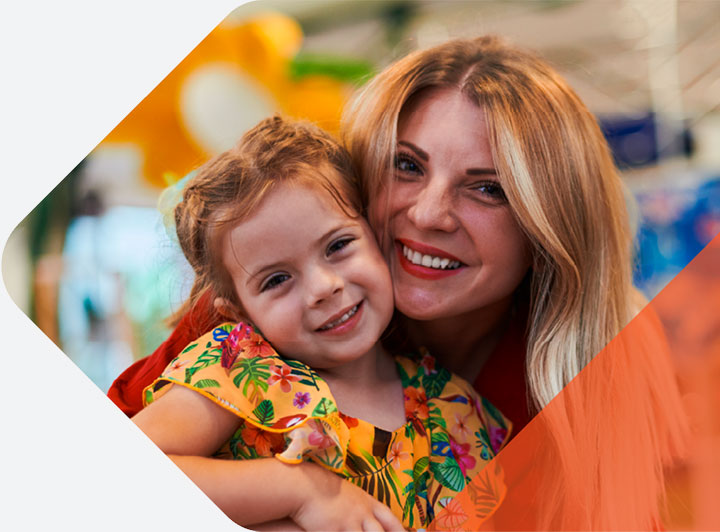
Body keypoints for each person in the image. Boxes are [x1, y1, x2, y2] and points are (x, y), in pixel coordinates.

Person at [111, 35, 687, 529]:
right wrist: (295, 497)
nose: (430, 213)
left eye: (488, 188)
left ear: (547, 228)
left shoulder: (504, 405)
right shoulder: (255, 324)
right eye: (407, 165)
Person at [132, 115, 511, 531]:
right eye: (277, 279)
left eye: (338, 245)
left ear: (376, 233)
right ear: (240, 313)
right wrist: (301, 491)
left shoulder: (456, 408)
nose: (323, 287)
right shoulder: (241, 367)